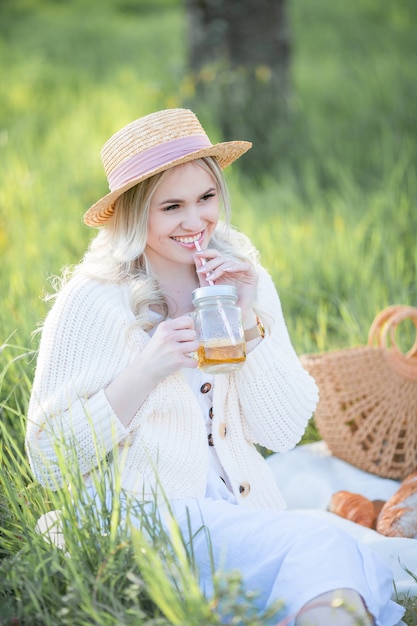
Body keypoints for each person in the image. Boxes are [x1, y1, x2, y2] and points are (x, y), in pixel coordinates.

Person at [25, 108, 405, 625]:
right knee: (325, 546)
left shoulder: (241, 275)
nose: (196, 221)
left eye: (206, 198)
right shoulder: (94, 301)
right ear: (135, 215)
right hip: (144, 518)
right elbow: (48, 459)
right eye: (171, 207)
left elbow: (285, 429)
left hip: (240, 515)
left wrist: (247, 319)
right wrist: (147, 369)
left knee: (340, 559)